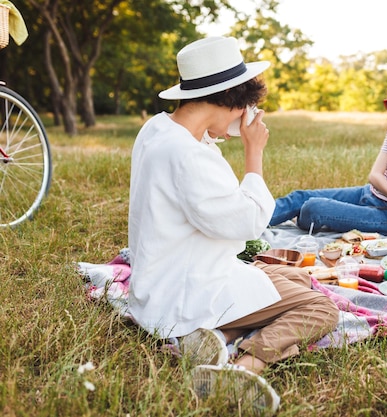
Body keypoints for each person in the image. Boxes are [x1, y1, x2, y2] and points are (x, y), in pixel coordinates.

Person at [127, 36, 339, 414]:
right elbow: (250, 223)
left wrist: (219, 132)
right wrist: (252, 151)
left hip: (159, 285)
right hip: (185, 296)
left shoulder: (157, 130)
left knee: (298, 279)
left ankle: (216, 335)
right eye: (249, 104)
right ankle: (244, 366)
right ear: (232, 99)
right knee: (321, 310)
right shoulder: (190, 157)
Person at [269, 75, 387, 234]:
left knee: (312, 207)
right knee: (299, 197)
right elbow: (375, 175)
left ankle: (304, 218)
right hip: (369, 194)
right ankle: (252, 220)